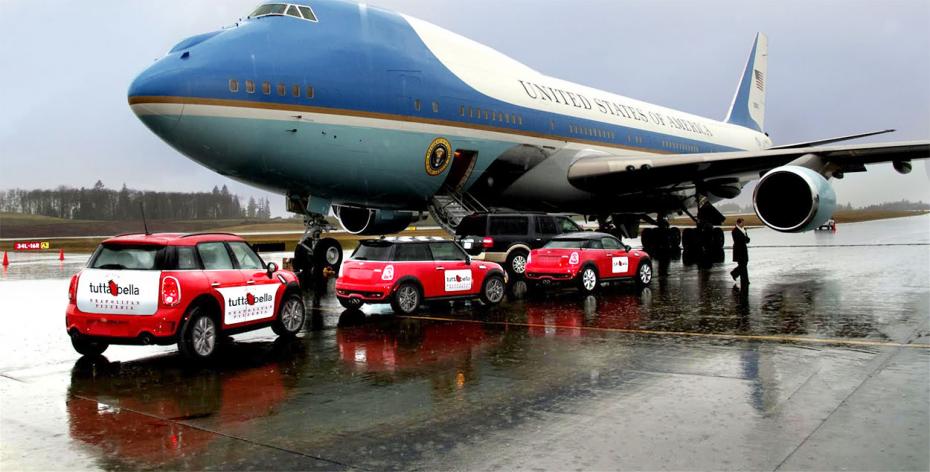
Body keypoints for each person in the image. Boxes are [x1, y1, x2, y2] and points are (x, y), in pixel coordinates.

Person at [730, 218, 750, 286]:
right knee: (742, 265)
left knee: (744, 264)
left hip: (744, 249)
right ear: (738, 223)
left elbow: (747, 240)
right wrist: (745, 238)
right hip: (738, 250)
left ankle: (734, 273)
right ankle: (745, 281)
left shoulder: (743, 230)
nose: (743, 224)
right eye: (742, 223)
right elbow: (738, 240)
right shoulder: (734, 231)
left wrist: (745, 238)